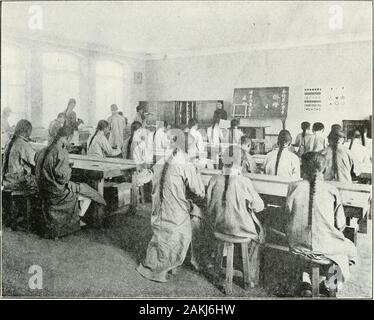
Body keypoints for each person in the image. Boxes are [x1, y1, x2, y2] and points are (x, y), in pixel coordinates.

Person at [285, 152, 357, 296]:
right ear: (324, 169)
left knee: (307, 242)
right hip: (324, 247)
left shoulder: (293, 187)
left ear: (302, 168)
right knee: (351, 251)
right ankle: (329, 283)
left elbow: (287, 216)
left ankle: (305, 281)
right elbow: (341, 225)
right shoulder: (332, 190)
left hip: (297, 245)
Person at [136, 147, 205, 282]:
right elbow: (199, 191)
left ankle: (158, 260)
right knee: (198, 214)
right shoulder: (185, 164)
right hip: (174, 216)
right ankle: (194, 260)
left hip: (158, 214)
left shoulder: (161, 161)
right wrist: (197, 172)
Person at [35, 126, 106, 239]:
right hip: (56, 192)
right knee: (89, 192)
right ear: (67, 138)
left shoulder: (42, 151)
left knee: (79, 187)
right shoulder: (61, 152)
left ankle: (76, 218)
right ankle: (80, 218)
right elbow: (63, 179)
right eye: (70, 140)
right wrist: (69, 168)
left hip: (43, 189)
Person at [206, 145, 265, 265]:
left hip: (219, 227)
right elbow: (259, 207)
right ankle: (249, 270)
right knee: (263, 233)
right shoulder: (244, 182)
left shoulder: (213, 179)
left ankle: (222, 258)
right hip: (240, 231)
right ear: (243, 163)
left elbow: (208, 205)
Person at [2, 119, 36, 190]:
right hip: (17, 183)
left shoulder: (9, 142)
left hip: (6, 180)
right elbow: (35, 162)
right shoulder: (24, 145)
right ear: (28, 131)